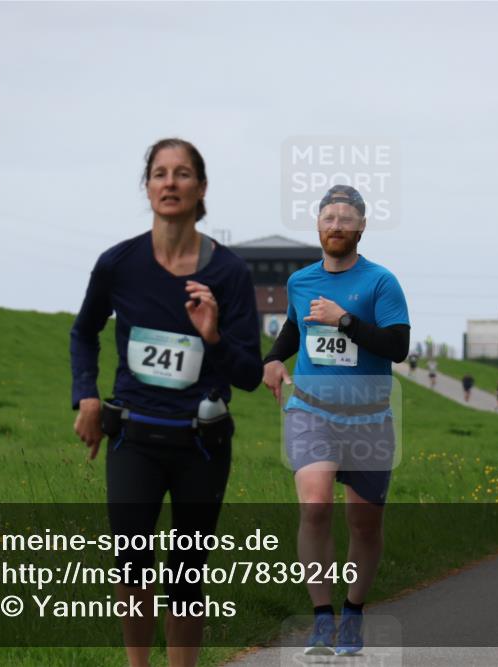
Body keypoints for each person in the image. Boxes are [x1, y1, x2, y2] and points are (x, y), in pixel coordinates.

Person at [70, 139, 262, 667]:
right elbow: (83, 332)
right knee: (131, 563)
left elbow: (248, 376)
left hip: (201, 443)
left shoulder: (230, 275)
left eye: (182, 174)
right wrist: (85, 394)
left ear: (201, 189)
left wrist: (215, 335)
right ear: (148, 187)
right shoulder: (118, 264)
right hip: (134, 436)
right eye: (159, 173)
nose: (170, 182)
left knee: (185, 572)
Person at [262, 184, 410, 657]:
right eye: (330, 218)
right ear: (318, 225)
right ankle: (322, 618)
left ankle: (353, 613)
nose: (338, 226)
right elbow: (294, 326)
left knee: (363, 522)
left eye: (347, 219)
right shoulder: (301, 281)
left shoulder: (382, 282)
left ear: (362, 226)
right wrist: (272, 359)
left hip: (368, 418)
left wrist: (346, 320)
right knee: (315, 506)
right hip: (311, 409)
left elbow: (397, 347)